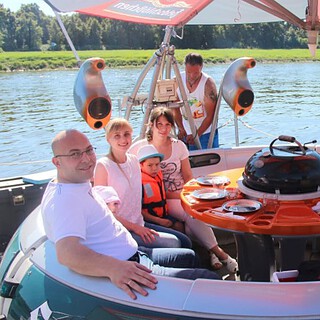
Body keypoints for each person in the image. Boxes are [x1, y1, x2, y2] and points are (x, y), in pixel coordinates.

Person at [41, 129, 221, 300]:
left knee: (189, 256)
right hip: (131, 266)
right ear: (57, 162)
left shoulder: (74, 184)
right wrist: (114, 268)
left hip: (136, 252)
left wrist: (106, 201)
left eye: (89, 150)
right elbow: (67, 253)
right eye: (75, 154)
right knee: (210, 279)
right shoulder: (66, 201)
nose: (86, 159)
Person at [129, 107, 238, 272]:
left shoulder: (179, 146)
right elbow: (124, 165)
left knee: (194, 212)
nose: (164, 129)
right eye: (160, 124)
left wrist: (192, 193)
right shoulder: (139, 148)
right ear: (151, 125)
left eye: (167, 124)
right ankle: (220, 253)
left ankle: (210, 253)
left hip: (182, 192)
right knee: (189, 213)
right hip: (164, 198)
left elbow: (188, 175)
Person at [94, 118, 192, 249]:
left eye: (126, 134)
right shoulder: (103, 166)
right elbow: (103, 211)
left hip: (140, 222)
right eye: (117, 136)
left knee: (186, 241)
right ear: (108, 139)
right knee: (175, 242)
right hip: (121, 230)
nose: (123, 140)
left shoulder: (134, 161)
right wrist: (136, 228)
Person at [173, 52, 219, 150]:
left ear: (201, 67)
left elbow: (211, 116)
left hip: (206, 132)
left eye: (196, 73)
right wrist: (181, 128)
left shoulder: (208, 85)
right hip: (185, 130)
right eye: (188, 72)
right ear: (185, 67)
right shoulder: (177, 80)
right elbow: (175, 108)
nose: (192, 76)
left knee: (208, 161)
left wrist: (197, 135)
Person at [138, 144, 185, 234]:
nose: (154, 168)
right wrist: (159, 221)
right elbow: (139, 212)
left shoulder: (158, 176)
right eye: (150, 165)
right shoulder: (138, 183)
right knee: (175, 232)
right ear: (141, 165)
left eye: (157, 164)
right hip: (149, 221)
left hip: (163, 215)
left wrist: (183, 196)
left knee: (179, 226)